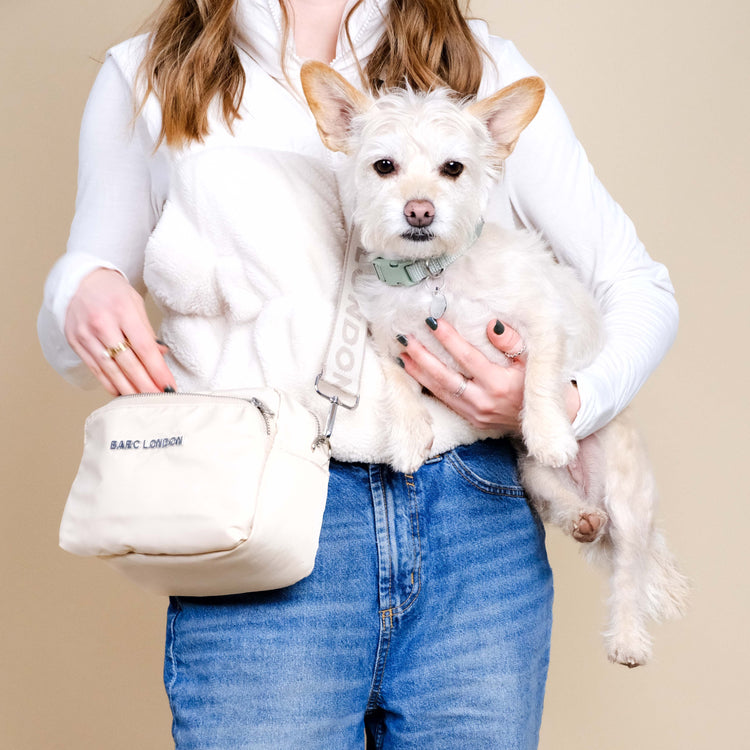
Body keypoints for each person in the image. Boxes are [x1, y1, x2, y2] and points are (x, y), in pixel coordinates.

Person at [38, 0, 678, 747]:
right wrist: (80, 287)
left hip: (474, 517)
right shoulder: (150, 71)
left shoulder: (481, 64)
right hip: (265, 525)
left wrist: (569, 401)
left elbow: (637, 284)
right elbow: (83, 293)